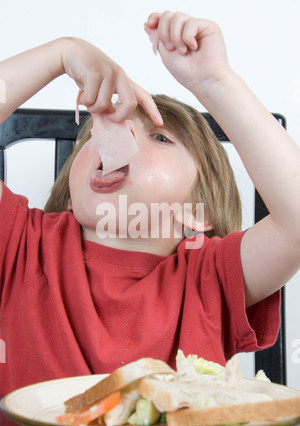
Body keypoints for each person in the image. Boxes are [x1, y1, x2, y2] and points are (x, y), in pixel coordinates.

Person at [0, 11, 299, 394]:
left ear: (199, 211)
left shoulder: (210, 278)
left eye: (159, 138)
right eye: (96, 131)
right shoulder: (22, 245)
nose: (115, 134)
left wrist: (214, 81)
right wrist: (62, 53)